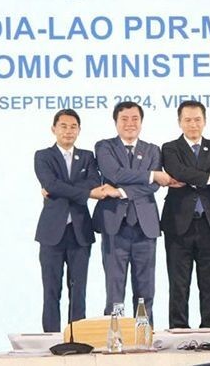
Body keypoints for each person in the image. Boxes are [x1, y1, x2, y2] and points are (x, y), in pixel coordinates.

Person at [34, 109, 116, 332]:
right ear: (54, 129)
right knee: (51, 289)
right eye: (63, 126)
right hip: (52, 232)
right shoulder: (43, 156)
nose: (68, 131)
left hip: (80, 231)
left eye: (73, 127)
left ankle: (77, 337)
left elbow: (91, 182)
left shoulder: (88, 157)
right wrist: (85, 192)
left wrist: (62, 189)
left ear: (79, 130)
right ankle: (51, 338)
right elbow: (50, 183)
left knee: (78, 289)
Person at [93, 101, 173, 325]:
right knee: (115, 289)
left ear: (141, 122)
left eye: (135, 119)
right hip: (114, 226)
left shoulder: (152, 149)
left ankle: (144, 337)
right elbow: (115, 173)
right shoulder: (104, 146)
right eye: (124, 119)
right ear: (116, 122)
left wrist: (119, 192)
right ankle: (115, 337)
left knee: (145, 290)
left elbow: (153, 186)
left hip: (145, 227)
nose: (130, 124)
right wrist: (151, 175)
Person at [161, 100, 210, 328]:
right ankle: (178, 330)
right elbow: (178, 170)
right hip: (178, 224)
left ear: (204, 121)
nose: (193, 125)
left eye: (197, 120)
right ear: (179, 122)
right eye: (187, 120)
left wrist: (198, 177)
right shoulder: (170, 148)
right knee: (178, 283)